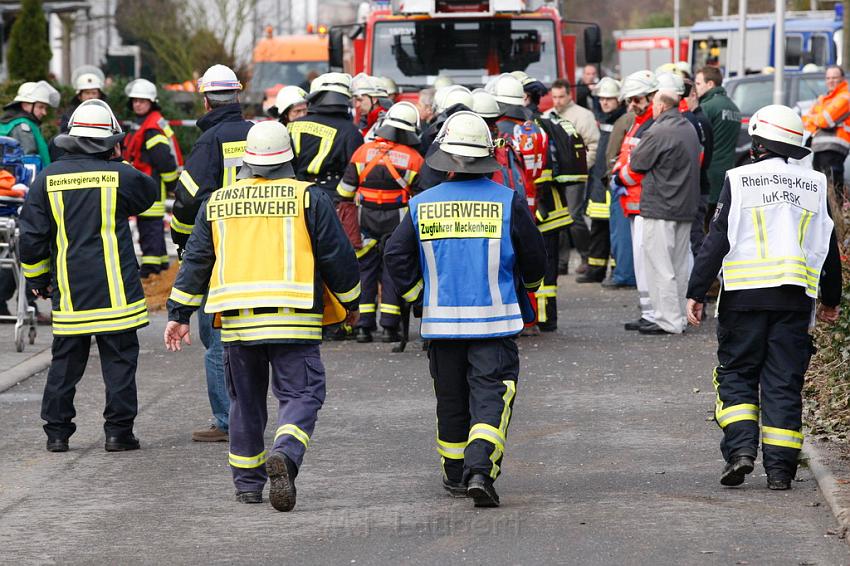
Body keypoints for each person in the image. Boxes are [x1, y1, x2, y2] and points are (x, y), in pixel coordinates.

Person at [165, 120, 360, 510]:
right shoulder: (310, 197)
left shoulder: (218, 202)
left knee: (245, 404)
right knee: (302, 394)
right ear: (288, 158)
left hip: (237, 323)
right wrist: (350, 303)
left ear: (247, 161)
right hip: (295, 317)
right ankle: (285, 453)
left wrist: (179, 313)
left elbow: (196, 261)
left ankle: (248, 486)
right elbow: (337, 258)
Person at [384, 111, 546, 507]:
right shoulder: (507, 200)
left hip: (441, 326)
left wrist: (420, 296)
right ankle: (480, 469)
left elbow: (395, 255)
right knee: (491, 396)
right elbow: (535, 258)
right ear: (486, 157)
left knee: (451, 400)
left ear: (448, 159)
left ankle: (455, 474)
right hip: (495, 324)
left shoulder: (421, 204)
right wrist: (529, 288)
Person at [686, 104, 842, 490]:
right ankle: (780, 472)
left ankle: (741, 452)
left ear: (756, 141)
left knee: (737, 375)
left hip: (743, 298)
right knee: (783, 381)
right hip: (793, 300)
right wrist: (831, 298)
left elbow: (717, 239)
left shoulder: (738, 179)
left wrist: (696, 292)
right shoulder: (814, 184)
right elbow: (827, 247)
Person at [18, 99, 158, 453]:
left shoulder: (48, 179)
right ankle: (118, 433)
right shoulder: (121, 175)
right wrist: (118, 160)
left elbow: (32, 237)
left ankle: (57, 434)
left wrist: (38, 280)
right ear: (110, 140)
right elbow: (148, 194)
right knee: (120, 362)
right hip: (117, 294)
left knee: (65, 363)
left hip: (70, 291)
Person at [171, 64, 253, 443]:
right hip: (260, 246)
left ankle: (227, 421)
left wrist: (182, 239)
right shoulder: (259, 134)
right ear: (237, 96)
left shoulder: (208, 142)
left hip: (219, 250)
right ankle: (257, 412)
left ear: (205, 99)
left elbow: (187, 201)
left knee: (217, 337)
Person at [337, 102, 424, 343]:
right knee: (391, 271)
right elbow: (420, 196)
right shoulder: (414, 158)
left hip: (365, 219)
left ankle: (363, 328)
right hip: (398, 221)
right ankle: (389, 327)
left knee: (365, 271)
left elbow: (344, 192)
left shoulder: (362, 153)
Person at [628, 75, 700, 335]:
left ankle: (667, 320)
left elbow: (636, 163)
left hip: (660, 206)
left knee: (661, 267)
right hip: (685, 206)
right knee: (680, 266)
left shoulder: (658, 130)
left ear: (659, 106)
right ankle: (680, 316)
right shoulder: (688, 128)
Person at [611, 70, 659, 329]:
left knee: (647, 261)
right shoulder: (640, 121)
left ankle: (653, 314)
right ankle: (648, 312)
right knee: (641, 262)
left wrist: (620, 178)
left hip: (643, 202)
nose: (631, 105)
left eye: (635, 99)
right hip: (634, 202)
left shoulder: (652, 123)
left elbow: (640, 164)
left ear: (652, 96)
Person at [122, 78, 182, 278]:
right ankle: (161, 265)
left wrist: (172, 182)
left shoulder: (150, 128)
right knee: (150, 225)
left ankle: (151, 269)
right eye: (135, 100)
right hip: (148, 181)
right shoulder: (150, 122)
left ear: (152, 102)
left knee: (149, 227)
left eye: (142, 101)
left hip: (150, 183)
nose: (138, 104)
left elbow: (163, 159)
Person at [545, 78, 599, 275]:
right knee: (558, 219)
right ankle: (561, 261)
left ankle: (587, 256)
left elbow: (593, 145)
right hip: (554, 177)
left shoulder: (582, 116)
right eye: (554, 97)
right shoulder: (547, 116)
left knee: (574, 217)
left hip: (575, 176)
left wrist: (582, 168)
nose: (557, 101)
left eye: (561, 97)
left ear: (569, 95)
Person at [289, 73, 364, 204]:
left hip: (295, 195)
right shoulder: (351, 132)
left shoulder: (293, 126)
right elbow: (356, 174)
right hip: (332, 199)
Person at [580, 77, 626, 284]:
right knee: (598, 228)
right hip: (599, 183)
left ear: (619, 100)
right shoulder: (603, 119)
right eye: (602, 99)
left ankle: (618, 271)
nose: (604, 102)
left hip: (614, 183)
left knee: (616, 230)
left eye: (609, 99)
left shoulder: (622, 120)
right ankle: (595, 270)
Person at [695, 66, 741, 221]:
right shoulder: (733, 107)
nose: (696, 87)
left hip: (709, 173)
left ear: (710, 85)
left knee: (704, 221)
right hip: (727, 171)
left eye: (699, 83)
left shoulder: (707, 107)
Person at [802, 65, 850, 202]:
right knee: (821, 189)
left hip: (834, 148)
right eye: (828, 78)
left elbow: (824, 120)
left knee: (832, 189)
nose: (831, 81)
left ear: (842, 79)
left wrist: (815, 118)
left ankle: (836, 219)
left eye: (835, 77)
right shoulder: (825, 99)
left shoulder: (845, 97)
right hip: (819, 148)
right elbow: (805, 120)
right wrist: (815, 119)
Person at [683, 77, 715, 254]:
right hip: (698, 186)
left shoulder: (699, 121)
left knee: (695, 234)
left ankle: (704, 278)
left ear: (693, 95)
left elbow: (701, 160)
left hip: (698, 188)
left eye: (683, 98)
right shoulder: (696, 119)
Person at [0, 80, 59, 167]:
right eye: (40, 107)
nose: (44, 112)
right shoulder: (22, 127)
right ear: (25, 105)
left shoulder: (13, 122)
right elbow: (29, 164)